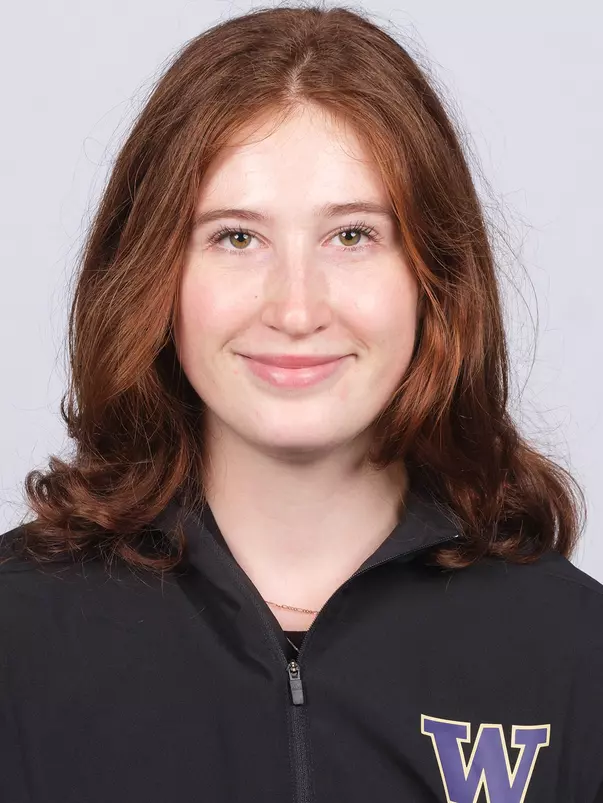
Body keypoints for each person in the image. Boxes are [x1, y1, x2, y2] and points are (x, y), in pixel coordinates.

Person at [0, 4, 601, 802]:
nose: (295, 309)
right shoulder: (16, 637)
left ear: (433, 279)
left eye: (351, 235)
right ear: (153, 276)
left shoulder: (575, 653)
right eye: (236, 237)